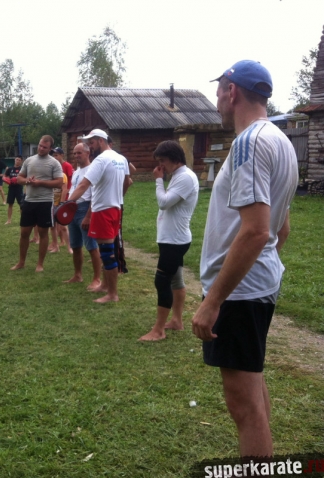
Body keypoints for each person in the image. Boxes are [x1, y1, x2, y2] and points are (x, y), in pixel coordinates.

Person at [192, 61, 297, 458]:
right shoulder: (281, 141)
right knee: (253, 387)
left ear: (232, 91)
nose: (217, 101)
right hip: (255, 286)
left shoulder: (249, 143)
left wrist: (214, 300)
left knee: (244, 406)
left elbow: (256, 231)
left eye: (218, 92)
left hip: (239, 293)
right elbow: (281, 229)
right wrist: (262, 268)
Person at [139, 140, 199, 341]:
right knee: (176, 280)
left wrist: (158, 180)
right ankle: (176, 321)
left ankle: (158, 330)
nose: (160, 165)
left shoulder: (185, 177)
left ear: (175, 159)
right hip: (171, 238)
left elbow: (164, 203)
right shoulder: (179, 176)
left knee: (162, 280)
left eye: (163, 160)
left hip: (175, 240)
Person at [68, 129, 131, 303]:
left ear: (101, 141)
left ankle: (112, 294)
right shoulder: (121, 158)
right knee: (108, 251)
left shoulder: (101, 160)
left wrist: (67, 204)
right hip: (115, 209)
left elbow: (83, 185)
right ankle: (104, 285)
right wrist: (117, 198)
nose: (90, 147)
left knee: (107, 253)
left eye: (92, 143)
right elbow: (128, 182)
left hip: (102, 210)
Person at [10, 135, 63, 273]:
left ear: (50, 148)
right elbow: (19, 178)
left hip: (45, 202)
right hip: (29, 201)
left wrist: (40, 183)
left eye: (44, 147)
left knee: (43, 233)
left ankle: (40, 264)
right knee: (24, 233)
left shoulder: (54, 163)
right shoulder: (29, 160)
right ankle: (21, 262)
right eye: (40, 145)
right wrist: (27, 181)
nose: (41, 148)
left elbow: (59, 182)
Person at [63, 143, 102, 290]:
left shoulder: (93, 170)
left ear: (88, 153)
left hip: (85, 209)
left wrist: (88, 216)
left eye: (79, 153)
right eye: (74, 153)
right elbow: (73, 189)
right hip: (73, 209)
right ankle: (78, 275)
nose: (76, 156)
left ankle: (97, 279)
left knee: (91, 246)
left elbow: (95, 196)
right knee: (75, 245)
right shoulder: (77, 171)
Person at [4, 155, 25, 225]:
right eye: (16, 159)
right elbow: (5, 176)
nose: (17, 161)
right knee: (10, 204)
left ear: (21, 161)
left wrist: (18, 180)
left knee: (21, 205)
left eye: (19, 160)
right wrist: (7, 180)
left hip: (19, 188)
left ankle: (23, 220)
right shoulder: (10, 169)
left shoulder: (22, 169)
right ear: (14, 160)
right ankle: (9, 220)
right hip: (11, 188)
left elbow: (25, 178)